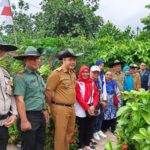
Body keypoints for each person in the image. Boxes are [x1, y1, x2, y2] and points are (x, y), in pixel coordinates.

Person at [45, 48, 83, 150]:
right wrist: (52, 107)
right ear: (64, 60)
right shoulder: (56, 73)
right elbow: (48, 92)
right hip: (60, 108)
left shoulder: (72, 73)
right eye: (70, 59)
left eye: (74, 60)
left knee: (69, 133)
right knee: (60, 136)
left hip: (71, 108)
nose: (73, 62)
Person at [13, 46, 48, 150]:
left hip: (40, 115)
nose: (36, 61)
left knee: (40, 145)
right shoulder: (20, 77)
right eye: (32, 59)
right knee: (29, 146)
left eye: (38, 58)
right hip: (29, 116)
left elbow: (40, 94)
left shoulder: (38, 75)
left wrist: (45, 109)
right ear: (25, 60)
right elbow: (19, 100)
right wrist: (24, 120)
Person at [75, 66, 98, 150]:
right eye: (83, 72)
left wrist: (93, 106)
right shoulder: (77, 83)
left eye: (87, 72)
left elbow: (96, 95)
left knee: (89, 127)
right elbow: (79, 97)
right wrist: (87, 108)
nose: (85, 74)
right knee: (81, 128)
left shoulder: (92, 82)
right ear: (80, 73)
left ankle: (87, 144)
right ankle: (80, 146)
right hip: (80, 108)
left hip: (90, 107)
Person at [0, 39, 18, 150]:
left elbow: (10, 95)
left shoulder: (5, 73)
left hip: (3, 123)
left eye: (1, 49)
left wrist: (14, 114)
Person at [90, 65, 107, 142]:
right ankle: (94, 132)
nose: (96, 74)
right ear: (91, 72)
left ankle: (98, 130)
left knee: (100, 116)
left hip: (99, 101)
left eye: (97, 73)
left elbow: (101, 90)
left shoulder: (98, 80)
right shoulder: (90, 80)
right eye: (94, 73)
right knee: (95, 118)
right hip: (93, 103)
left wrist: (104, 100)